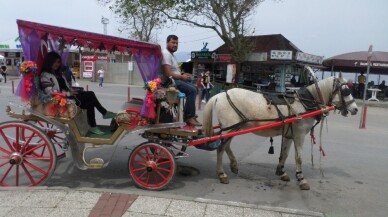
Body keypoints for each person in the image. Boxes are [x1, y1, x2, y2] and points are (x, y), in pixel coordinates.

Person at [40, 51, 116, 135]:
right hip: (60, 100)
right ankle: (104, 113)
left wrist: (71, 91)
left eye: (58, 62)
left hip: (68, 96)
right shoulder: (45, 76)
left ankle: (93, 126)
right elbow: (51, 93)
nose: (56, 64)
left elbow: (65, 87)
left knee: (90, 103)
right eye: (54, 62)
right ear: (49, 62)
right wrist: (68, 94)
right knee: (90, 94)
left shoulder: (59, 74)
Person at [161, 35, 201, 127]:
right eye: (173, 43)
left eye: (176, 43)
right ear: (167, 43)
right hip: (170, 82)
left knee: (195, 87)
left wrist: (183, 75)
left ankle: (190, 114)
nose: (175, 45)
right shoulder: (166, 54)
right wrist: (181, 77)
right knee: (192, 90)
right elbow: (167, 74)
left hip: (175, 79)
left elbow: (174, 70)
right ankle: (189, 117)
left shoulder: (171, 55)